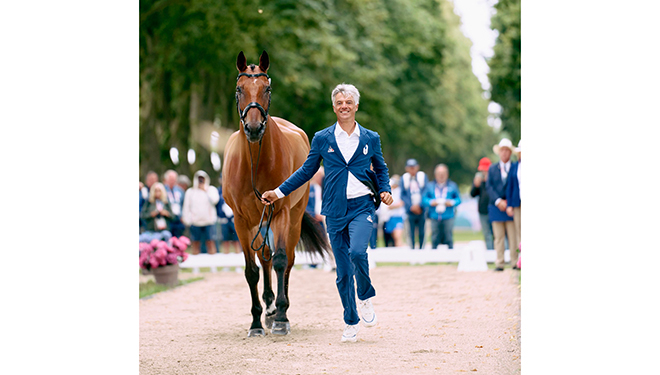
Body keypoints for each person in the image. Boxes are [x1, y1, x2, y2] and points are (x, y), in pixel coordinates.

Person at [261, 83, 393, 343]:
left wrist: (386, 190)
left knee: (358, 252)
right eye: (339, 102)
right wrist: (278, 192)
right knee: (342, 271)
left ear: (356, 106)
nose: (344, 106)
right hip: (334, 211)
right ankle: (350, 321)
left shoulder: (370, 138)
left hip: (362, 206)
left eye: (348, 102)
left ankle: (365, 296)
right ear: (334, 107)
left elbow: (381, 168)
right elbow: (306, 171)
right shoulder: (322, 138)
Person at [486, 138, 519, 271]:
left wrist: (509, 202)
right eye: (502, 150)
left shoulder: (515, 167)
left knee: (513, 237)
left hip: (511, 207)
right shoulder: (492, 168)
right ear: (499, 152)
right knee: (498, 237)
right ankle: (499, 262)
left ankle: (515, 261)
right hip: (496, 206)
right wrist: (498, 201)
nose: (504, 153)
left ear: (510, 152)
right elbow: (489, 187)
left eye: (507, 150)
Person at [422, 164, 461, 249]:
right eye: (439, 173)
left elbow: (458, 199)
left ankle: (450, 258)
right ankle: (434, 258)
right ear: (435, 174)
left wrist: (451, 202)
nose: (441, 175)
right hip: (434, 216)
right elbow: (424, 199)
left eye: (443, 173)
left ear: (447, 174)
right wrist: (431, 202)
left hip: (448, 215)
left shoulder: (452, 185)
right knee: (434, 237)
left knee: (448, 237)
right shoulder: (430, 186)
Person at [181, 170, 220, 255]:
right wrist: (187, 220)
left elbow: (215, 200)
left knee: (210, 242)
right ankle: (195, 266)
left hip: (209, 222)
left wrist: (205, 190)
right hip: (195, 222)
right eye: (199, 179)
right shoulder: (190, 192)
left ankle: (213, 265)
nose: (200, 181)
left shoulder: (211, 189)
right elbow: (186, 207)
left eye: (202, 179)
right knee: (195, 243)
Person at [400, 159, 428, 249]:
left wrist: (420, 205)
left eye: (413, 167)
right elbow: (403, 195)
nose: (412, 170)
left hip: (421, 210)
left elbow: (425, 192)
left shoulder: (422, 177)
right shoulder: (404, 178)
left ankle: (421, 249)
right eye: (410, 168)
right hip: (410, 210)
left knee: (422, 232)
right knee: (410, 232)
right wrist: (411, 206)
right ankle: (411, 250)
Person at [470, 157, 494, 250]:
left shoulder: (493, 178)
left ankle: (497, 254)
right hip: (482, 211)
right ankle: (490, 254)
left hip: (492, 210)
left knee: (496, 235)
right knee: (487, 234)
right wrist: (476, 186)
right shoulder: (478, 180)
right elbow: (472, 194)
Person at [506, 140, 521, 249]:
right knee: (519, 230)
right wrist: (510, 204)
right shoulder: (515, 167)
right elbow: (510, 186)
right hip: (518, 203)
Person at [383, 175, 406, 247]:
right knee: (393, 236)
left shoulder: (401, 191)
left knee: (397, 236)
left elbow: (402, 203)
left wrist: (392, 207)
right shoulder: (390, 191)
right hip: (390, 216)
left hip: (398, 216)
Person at [163, 169, 186, 238]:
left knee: (178, 239)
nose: (172, 181)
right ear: (166, 179)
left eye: (174, 179)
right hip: (168, 218)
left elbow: (183, 204)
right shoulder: (163, 190)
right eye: (170, 179)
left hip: (178, 218)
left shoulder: (180, 190)